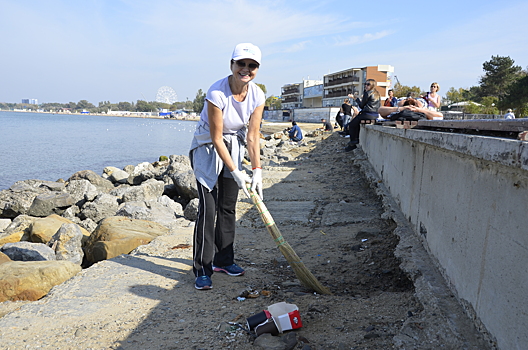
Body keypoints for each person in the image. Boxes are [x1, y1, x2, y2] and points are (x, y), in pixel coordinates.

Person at [189, 43, 265, 290]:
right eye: (241, 64)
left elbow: (253, 136)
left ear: (257, 69)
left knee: (228, 208)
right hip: (208, 149)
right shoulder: (216, 93)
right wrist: (235, 171)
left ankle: (224, 260)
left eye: (251, 65)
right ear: (231, 65)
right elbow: (216, 137)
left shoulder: (257, 95)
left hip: (234, 147)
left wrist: (256, 172)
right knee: (208, 210)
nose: (246, 69)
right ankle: (202, 268)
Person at [345, 79, 381, 151]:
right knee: (357, 124)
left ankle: (353, 142)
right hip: (375, 115)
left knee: (351, 124)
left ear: (372, 85)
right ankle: (355, 140)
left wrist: (355, 98)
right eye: (365, 84)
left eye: (368, 84)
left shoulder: (367, 93)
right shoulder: (377, 94)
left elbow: (361, 106)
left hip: (367, 114)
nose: (366, 86)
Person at [379, 98, 444, 120]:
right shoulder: (400, 104)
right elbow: (380, 110)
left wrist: (418, 109)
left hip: (419, 106)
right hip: (403, 105)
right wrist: (402, 108)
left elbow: (440, 115)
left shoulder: (421, 106)